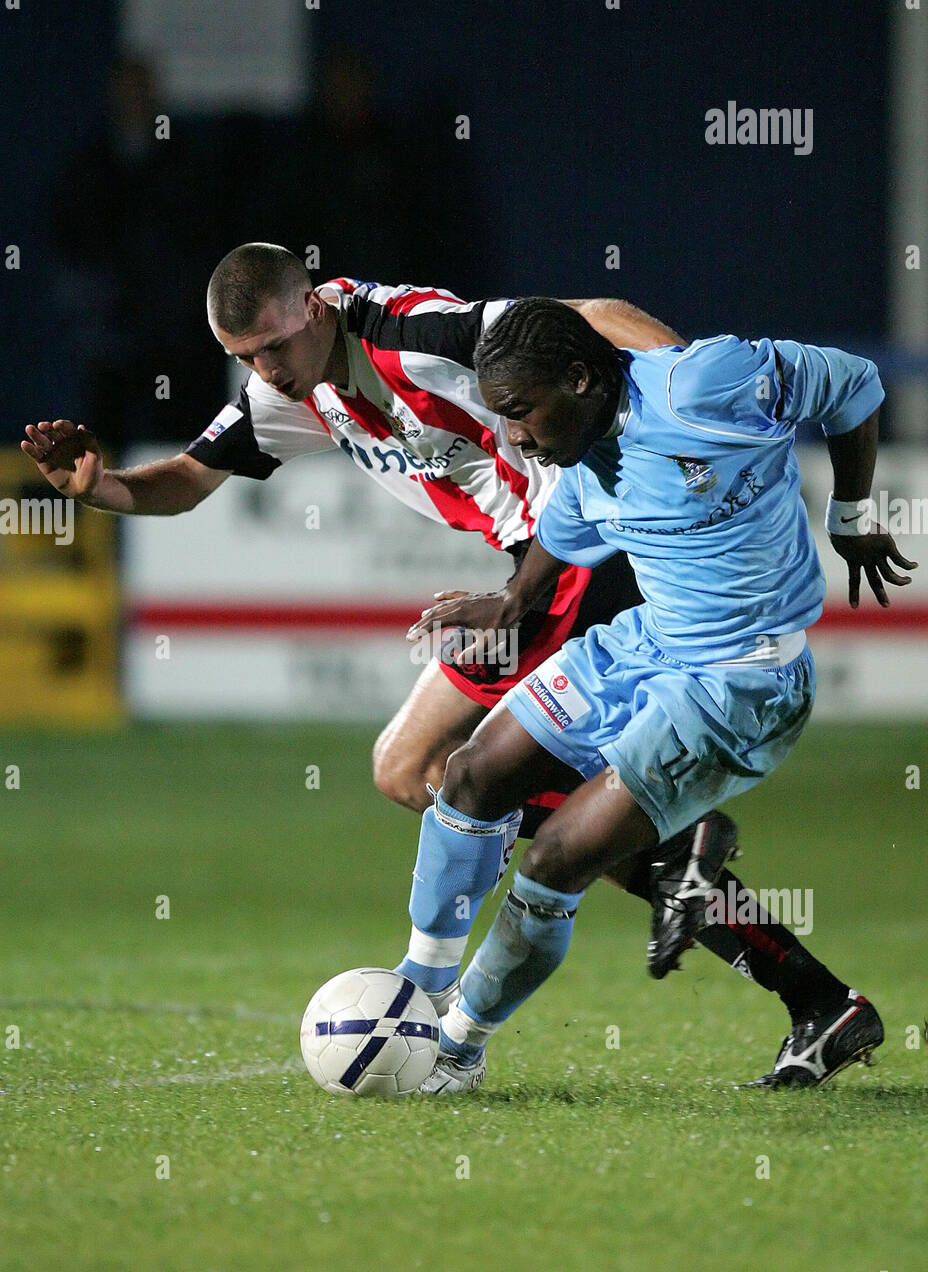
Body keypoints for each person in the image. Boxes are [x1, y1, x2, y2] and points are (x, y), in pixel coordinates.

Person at [20, 245, 806, 1013]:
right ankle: (811, 994)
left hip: (566, 556)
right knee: (431, 775)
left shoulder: (412, 331)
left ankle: (645, 864)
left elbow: (594, 313)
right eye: (244, 357)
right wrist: (101, 488)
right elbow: (190, 480)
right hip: (540, 565)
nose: (265, 370)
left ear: (314, 308)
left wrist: (678, 400)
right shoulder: (288, 389)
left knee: (417, 768)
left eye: (273, 347)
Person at [399, 296, 916, 1093]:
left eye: (520, 411)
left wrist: (850, 514)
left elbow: (853, 382)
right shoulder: (582, 451)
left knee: (557, 858)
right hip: (647, 644)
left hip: (741, 679)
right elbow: (565, 529)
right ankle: (417, 995)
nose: (513, 436)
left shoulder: (705, 384)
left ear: (580, 379)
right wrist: (513, 599)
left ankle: (455, 1051)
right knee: (470, 776)